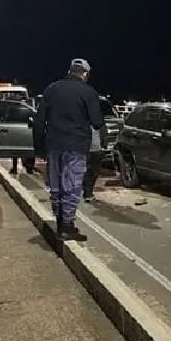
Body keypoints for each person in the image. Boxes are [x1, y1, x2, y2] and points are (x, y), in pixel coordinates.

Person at [34, 58, 104, 241]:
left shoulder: (51, 89)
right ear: (85, 73)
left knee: (56, 186)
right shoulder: (88, 92)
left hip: (53, 144)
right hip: (76, 146)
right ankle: (67, 226)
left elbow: (39, 121)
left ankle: (59, 223)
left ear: (70, 71)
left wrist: (39, 148)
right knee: (71, 186)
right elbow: (97, 122)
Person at [83, 123, 108, 202]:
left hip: (98, 151)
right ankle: (87, 193)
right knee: (87, 172)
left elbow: (104, 134)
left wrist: (104, 146)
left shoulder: (100, 123)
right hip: (86, 150)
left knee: (95, 172)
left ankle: (89, 191)